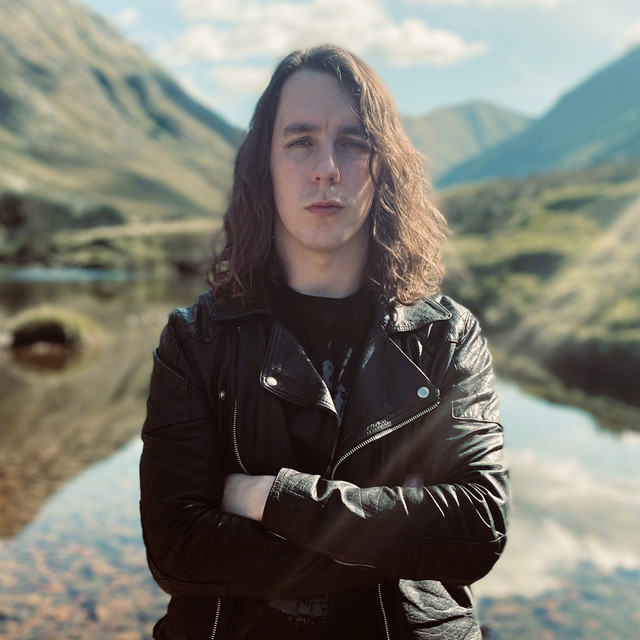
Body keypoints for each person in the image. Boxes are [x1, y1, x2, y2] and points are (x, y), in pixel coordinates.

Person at [140, 44, 509, 640]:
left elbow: (478, 528)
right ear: (265, 165)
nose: (327, 168)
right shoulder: (196, 340)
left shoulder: (447, 336)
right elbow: (177, 549)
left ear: (384, 167)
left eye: (354, 143)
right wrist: (397, 535)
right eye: (301, 140)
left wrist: (269, 499)